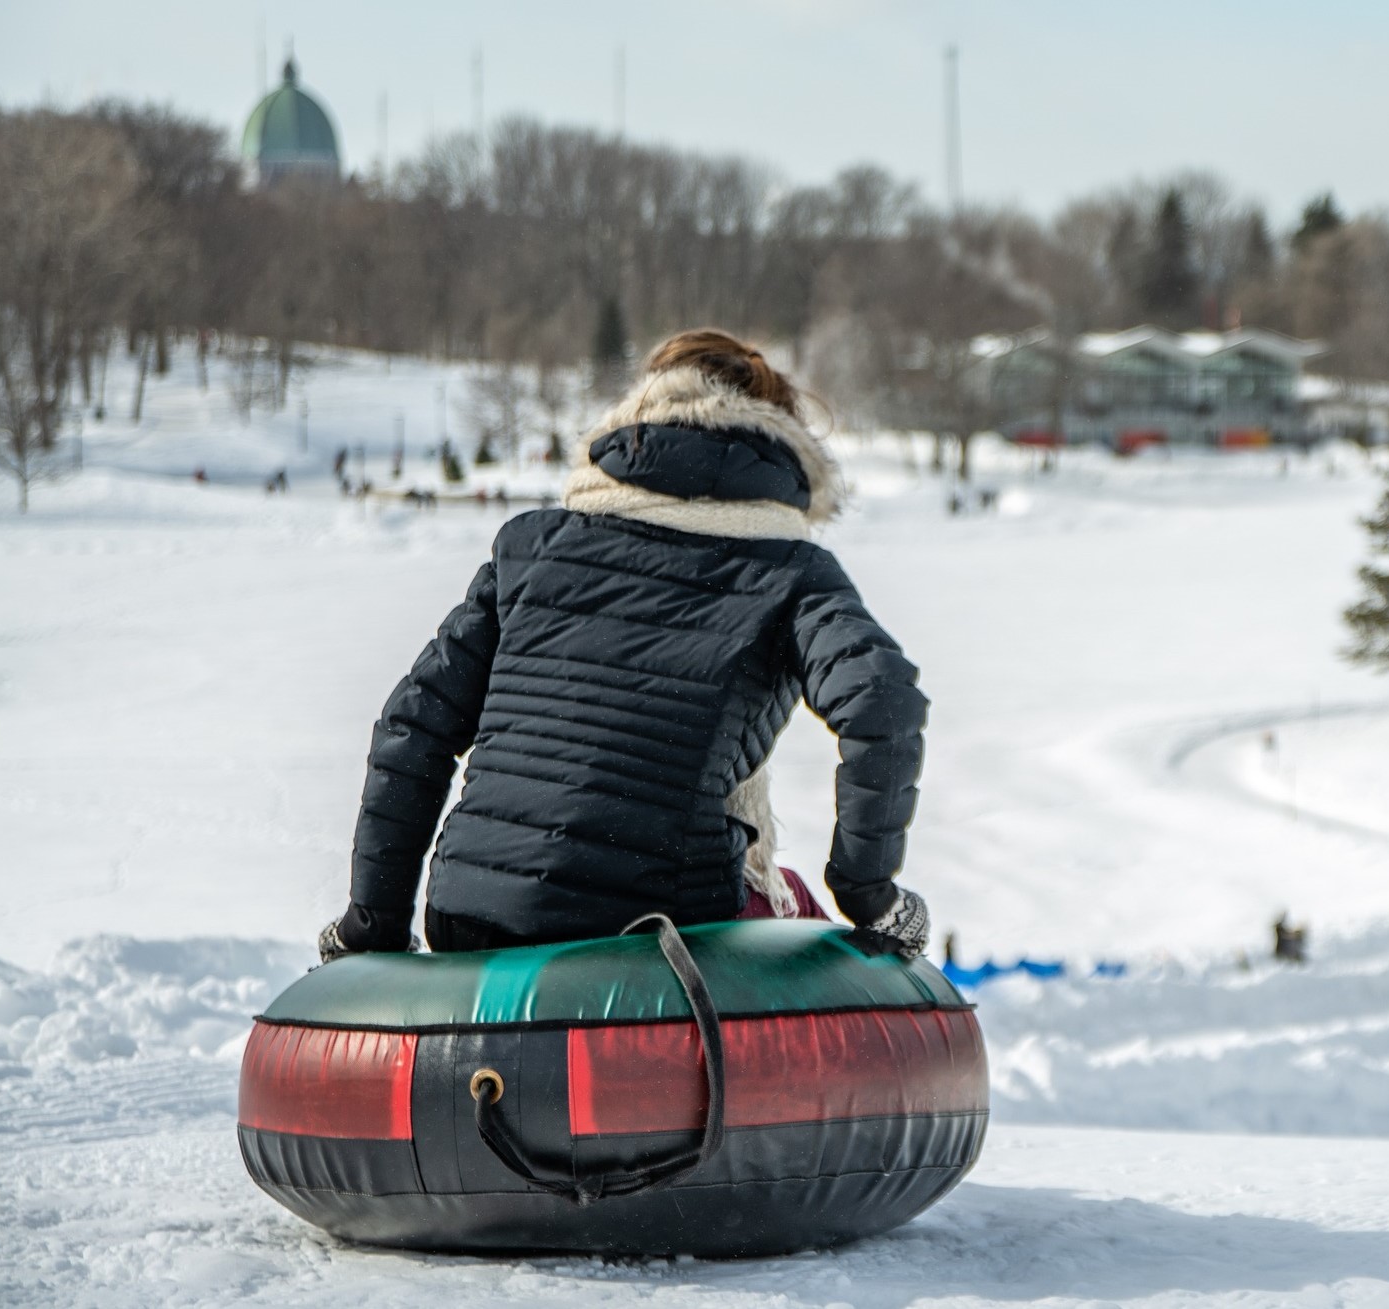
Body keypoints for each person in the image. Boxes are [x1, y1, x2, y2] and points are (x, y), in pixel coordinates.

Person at [318, 329, 930, 961]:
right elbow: (880, 700)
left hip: (469, 915)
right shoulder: (790, 569)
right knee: (796, 908)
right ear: (782, 450)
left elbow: (414, 725)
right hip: (656, 925)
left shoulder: (532, 545)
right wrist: (869, 896)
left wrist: (375, 924)